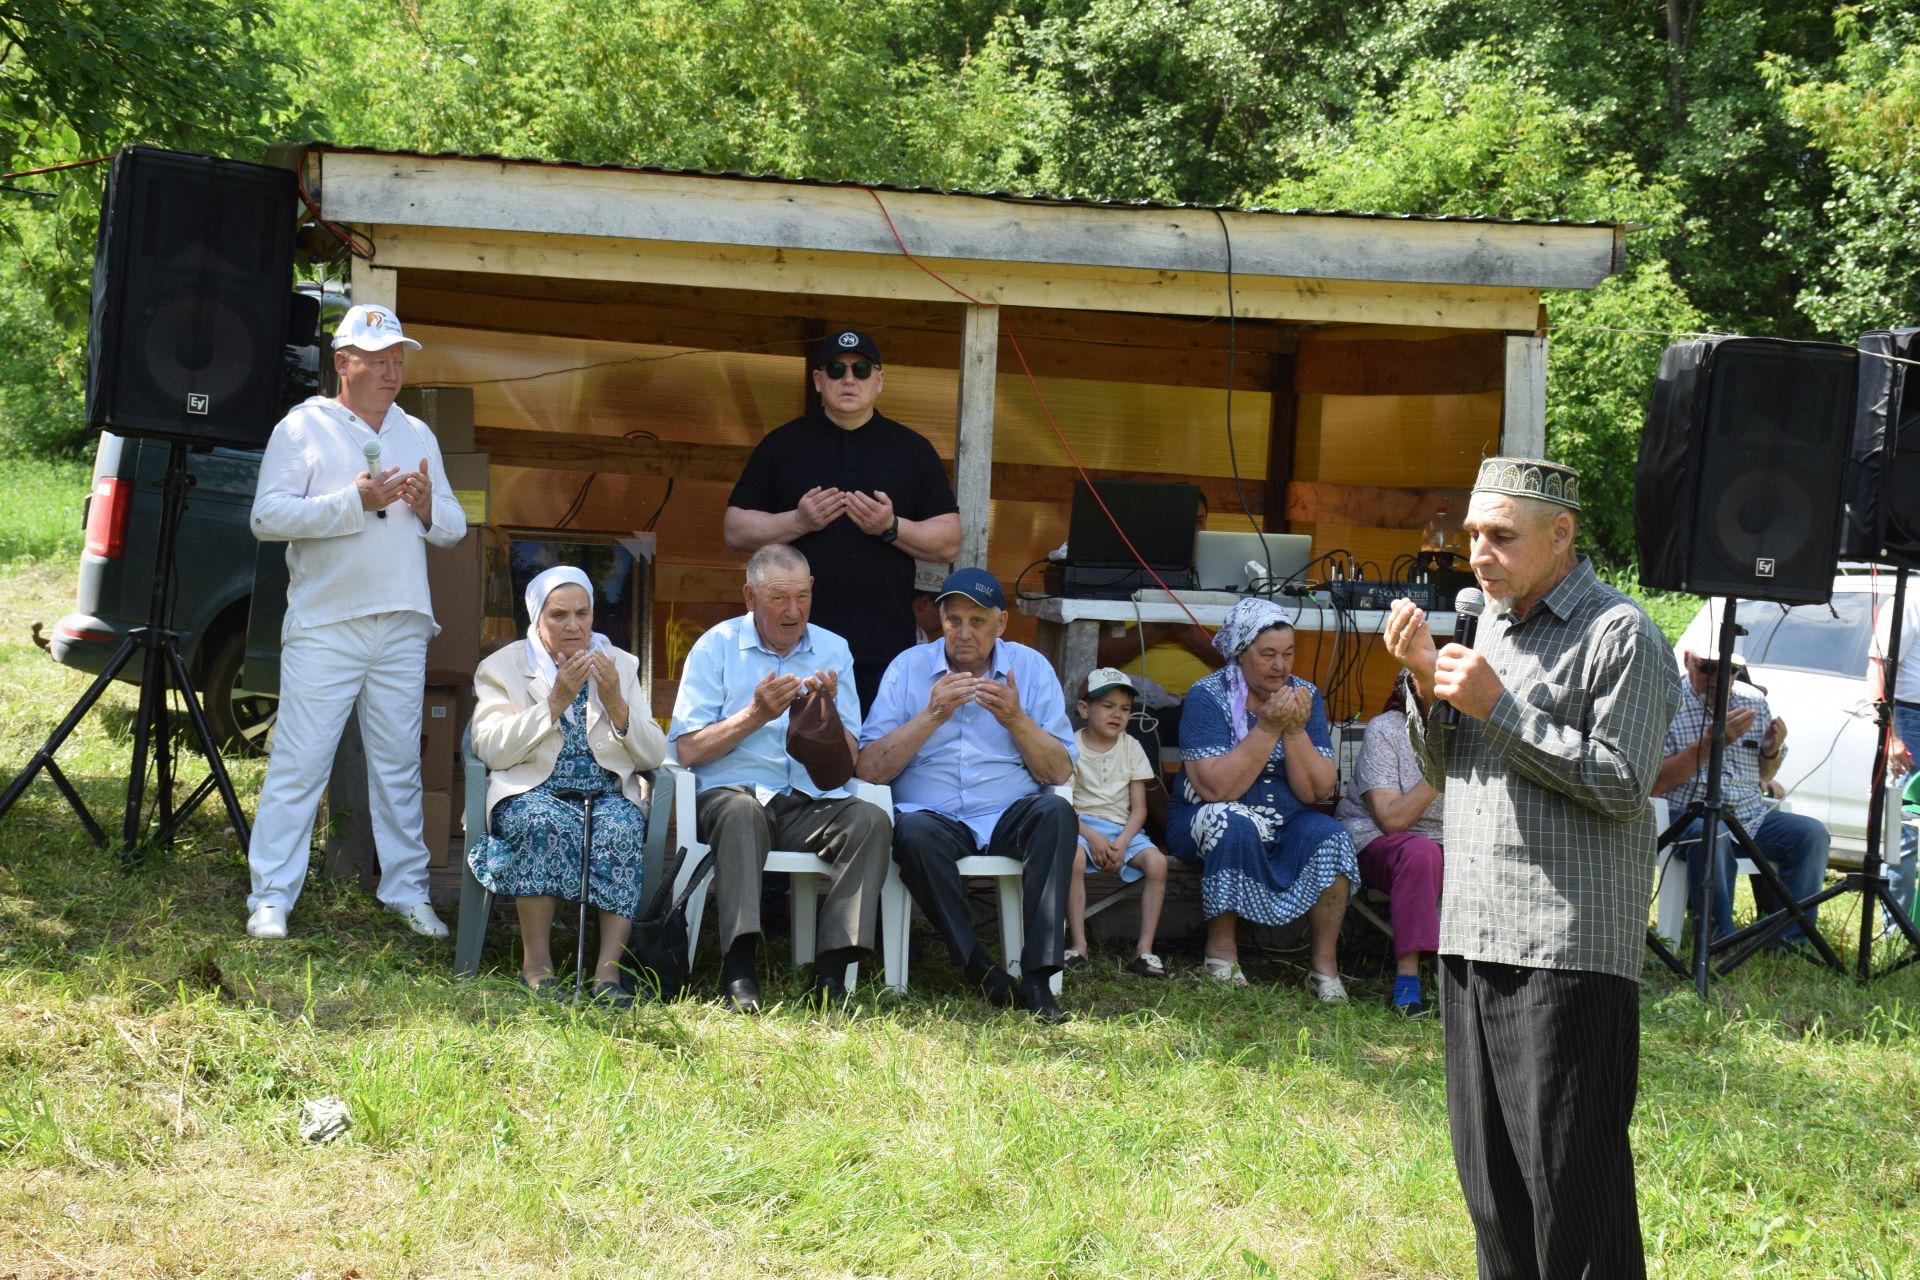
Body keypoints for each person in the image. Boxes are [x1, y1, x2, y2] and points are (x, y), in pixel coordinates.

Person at [1384, 456, 1680, 1280]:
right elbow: (1452, 771)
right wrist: (1422, 678)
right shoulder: (1489, 626)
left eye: (1502, 536)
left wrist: (1499, 707)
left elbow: (1626, 782)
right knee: (1493, 1191)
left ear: (1562, 534)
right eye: (1475, 534)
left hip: (1566, 948)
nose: (1480, 553)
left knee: (1570, 1189)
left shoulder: (1621, 633)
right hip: (1474, 932)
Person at [244, 304, 467, 940]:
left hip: (401, 619)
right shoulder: (302, 427)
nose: (392, 372)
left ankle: (407, 890)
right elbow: (267, 518)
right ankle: (271, 897)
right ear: (343, 364)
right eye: (377, 361)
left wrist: (426, 508)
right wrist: (355, 501)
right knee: (300, 760)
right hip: (327, 621)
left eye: (398, 360)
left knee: (400, 762)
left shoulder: (418, 434)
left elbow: (452, 527)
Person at [669, 544, 892, 1013]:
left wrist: (826, 719)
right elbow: (687, 749)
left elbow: (849, 760)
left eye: (802, 597)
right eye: (779, 598)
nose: (794, 611)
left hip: (808, 802)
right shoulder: (717, 645)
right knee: (742, 811)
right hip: (733, 796)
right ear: (750, 596)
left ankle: (831, 976)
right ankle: (740, 971)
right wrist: (755, 714)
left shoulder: (834, 649)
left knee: (870, 819)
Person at [858, 568, 1078, 1023]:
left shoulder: (1031, 668)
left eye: (977, 622)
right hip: (931, 814)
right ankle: (979, 966)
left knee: (1055, 812)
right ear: (939, 621)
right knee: (913, 832)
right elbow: (870, 769)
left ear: (1001, 625)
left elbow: (1058, 770)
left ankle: (1038, 977)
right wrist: (932, 715)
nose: (963, 633)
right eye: (953, 620)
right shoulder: (908, 668)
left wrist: (1016, 720)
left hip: (1008, 811)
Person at [724, 329, 963, 708]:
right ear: (818, 380)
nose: (848, 379)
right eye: (836, 369)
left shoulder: (912, 450)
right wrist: (798, 521)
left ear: (879, 380)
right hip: (790, 646)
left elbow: (949, 539)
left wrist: (891, 527)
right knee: (790, 759)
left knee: (873, 762)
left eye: (861, 369)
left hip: (883, 647)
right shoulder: (782, 445)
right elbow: (735, 528)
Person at [468, 568, 669, 1006]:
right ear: (537, 619)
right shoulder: (502, 667)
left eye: (583, 613)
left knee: (620, 826)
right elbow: (491, 750)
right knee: (539, 823)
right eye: (559, 615)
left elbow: (654, 754)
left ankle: (607, 977)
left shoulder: (621, 665)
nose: (574, 625)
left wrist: (616, 700)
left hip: (603, 790)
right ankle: (536, 969)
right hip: (531, 789)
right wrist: (555, 701)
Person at [1165, 597, 1358, 998]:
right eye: (1267, 654)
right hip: (1208, 814)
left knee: (1333, 838)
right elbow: (1215, 789)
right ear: (1240, 652)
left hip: (1287, 818)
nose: (1280, 666)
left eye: (1288, 654)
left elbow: (1318, 790)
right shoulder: (1208, 696)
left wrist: (1294, 730)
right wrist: (1268, 727)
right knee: (1231, 821)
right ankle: (1221, 953)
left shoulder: (1305, 695)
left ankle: (1324, 969)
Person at [1653, 646, 1829, 948]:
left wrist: (1770, 751)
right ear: (1687, 660)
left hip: (1749, 815)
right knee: (1712, 831)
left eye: (1729, 671)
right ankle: (1719, 941)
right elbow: (1655, 783)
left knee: (1811, 834)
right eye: (1707, 668)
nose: (1717, 678)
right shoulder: (1665, 701)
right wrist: (1707, 747)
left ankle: (1790, 942)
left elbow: (1765, 771)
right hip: (1683, 814)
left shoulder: (1753, 701)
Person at [1334, 684, 1444, 1015]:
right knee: (1420, 854)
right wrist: (1441, 766)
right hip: (1380, 838)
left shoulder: (1479, 731)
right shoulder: (1387, 729)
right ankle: (1407, 983)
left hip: (1449, 838)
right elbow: (1391, 820)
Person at [1065, 668, 1169, 977]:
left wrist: (1122, 842)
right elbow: (1064, 807)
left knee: (1158, 863)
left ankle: (1145, 951)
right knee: (1072, 857)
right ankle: (1079, 945)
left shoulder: (1132, 747)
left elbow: (1139, 809)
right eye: (1108, 706)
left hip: (1123, 829)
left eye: (1125, 708)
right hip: (1082, 826)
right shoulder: (1072, 747)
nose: (1117, 714)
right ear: (1085, 709)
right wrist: (1094, 838)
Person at [1868, 589, 1920, 917]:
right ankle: (1897, 929)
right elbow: (1878, 665)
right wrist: (1891, 737)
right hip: (1911, 720)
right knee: (1906, 828)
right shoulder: (1913, 597)